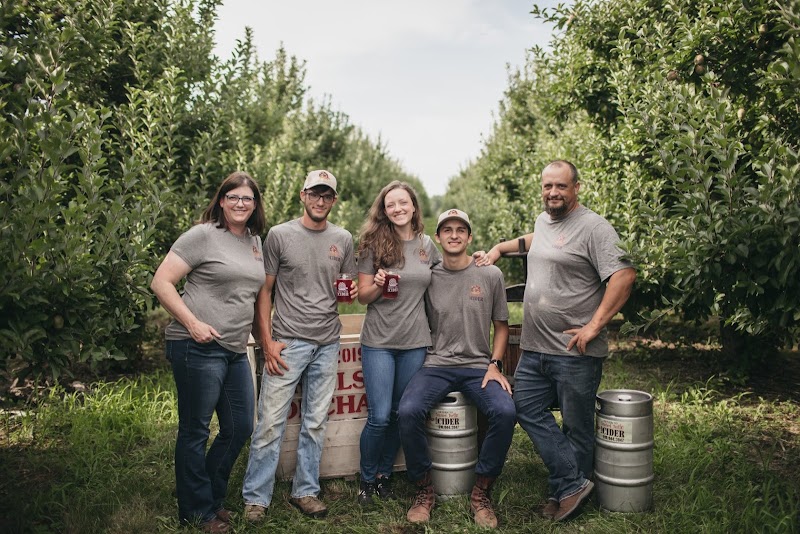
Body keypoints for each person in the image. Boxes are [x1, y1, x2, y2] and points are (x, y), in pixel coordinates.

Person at [474, 160, 636, 522]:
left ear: (576, 187)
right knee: (525, 408)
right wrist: (500, 248)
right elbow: (536, 241)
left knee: (577, 426)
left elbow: (624, 275)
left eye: (561, 186)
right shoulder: (544, 221)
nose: (553, 193)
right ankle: (571, 483)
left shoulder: (594, 227)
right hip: (534, 349)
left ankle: (567, 489)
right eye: (548, 186)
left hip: (573, 351)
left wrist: (593, 327)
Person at [151, 171, 267, 533]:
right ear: (221, 200)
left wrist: (263, 338)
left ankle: (210, 498)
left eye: (247, 198)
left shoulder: (254, 242)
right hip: (196, 346)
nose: (240, 203)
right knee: (195, 430)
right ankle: (197, 511)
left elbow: (250, 295)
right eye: (233, 197)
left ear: (255, 204)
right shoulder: (203, 235)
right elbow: (161, 281)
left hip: (234, 348)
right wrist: (192, 323)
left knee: (239, 427)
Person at [242, 169, 357, 522]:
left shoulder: (344, 238)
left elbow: (344, 290)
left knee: (315, 421)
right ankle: (256, 498)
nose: (320, 201)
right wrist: (267, 340)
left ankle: (305, 491)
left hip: (327, 341)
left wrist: (349, 292)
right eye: (314, 194)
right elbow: (265, 291)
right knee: (270, 421)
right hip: (288, 341)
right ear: (302, 195)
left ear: (334, 201)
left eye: (327, 195)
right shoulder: (279, 236)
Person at [398, 209, 516, 529]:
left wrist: (495, 365)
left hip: (478, 366)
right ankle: (424, 489)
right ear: (437, 238)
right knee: (408, 411)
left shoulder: (489, 274)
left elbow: (501, 327)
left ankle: (481, 491)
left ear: (469, 237)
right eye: (446, 230)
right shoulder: (429, 275)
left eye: (460, 229)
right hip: (436, 364)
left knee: (505, 412)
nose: (453, 235)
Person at [355, 181, 441, 506]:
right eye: (391, 204)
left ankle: (384, 476)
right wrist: (377, 284)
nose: (397, 209)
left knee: (396, 412)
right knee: (378, 415)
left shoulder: (427, 245)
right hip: (379, 340)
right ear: (384, 210)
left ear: (414, 206)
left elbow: (442, 282)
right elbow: (362, 297)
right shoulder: (372, 244)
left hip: (415, 341)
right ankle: (366, 477)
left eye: (403, 203)